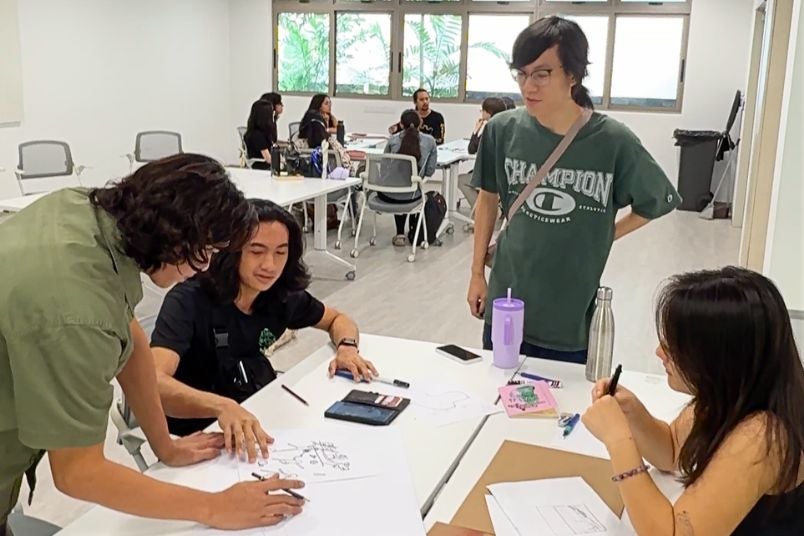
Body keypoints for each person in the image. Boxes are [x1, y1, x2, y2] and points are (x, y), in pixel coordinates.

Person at [0, 154, 306, 534]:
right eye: (207, 252)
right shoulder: (76, 311)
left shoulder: (82, 211)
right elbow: (79, 472)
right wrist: (214, 507)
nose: (206, 267)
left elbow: (130, 335)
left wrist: (166, 445)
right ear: (177, 238)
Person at [467, 16, 681, 364]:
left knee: (562, 408)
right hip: (507, 301)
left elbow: (655, 201)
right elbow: (488, 199)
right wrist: (477, 273)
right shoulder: (502, 130)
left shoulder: (612, 141)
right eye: (521, 73)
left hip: (570, 315)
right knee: (502, 397)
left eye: (542, 73)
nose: (528, 86)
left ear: (573, 75)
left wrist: (605, 234)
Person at [150, 199, 377, 460]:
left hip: (258, 413)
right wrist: (221, 406)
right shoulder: (188, 300)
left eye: (280, 252)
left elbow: (337, 319)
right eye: (256, 251)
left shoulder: (281, 295)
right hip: (198, 433)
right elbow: (153, 382)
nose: (270, 265)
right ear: (231, 252)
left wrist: (347, 348)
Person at [583, 267, 804, 535]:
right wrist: (633, 415)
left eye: (674, 346)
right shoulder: (727, 396)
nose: (659, 352)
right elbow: (674, 451)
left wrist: (618, 441)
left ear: (716, 358)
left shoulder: (763, 436)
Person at [378, 109, 437, 246]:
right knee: (412, 190)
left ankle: (399, 234)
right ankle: (412, 232)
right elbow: (429, 171)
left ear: (401, 124)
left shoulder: (392, 140)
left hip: (387, 195)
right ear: (420, 123)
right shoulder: (430, 141)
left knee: (398, 188)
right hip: (412, 195)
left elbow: (384, 166)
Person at [458, 97, 507, 210]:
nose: (481, 113)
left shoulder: (490, 129)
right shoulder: (505, 128)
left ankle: (481, 211)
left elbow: (471, 149)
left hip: (490, 176)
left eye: (482, 110)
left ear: (488, 112)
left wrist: (475, 130)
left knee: (461, 180)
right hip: (502, 174)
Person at [244, 99, 275, 170]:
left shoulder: (259, 132)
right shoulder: (257, 135)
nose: (273, 113)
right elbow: (268, 159)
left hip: (266, 166)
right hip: (262, 167)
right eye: (271, 112)